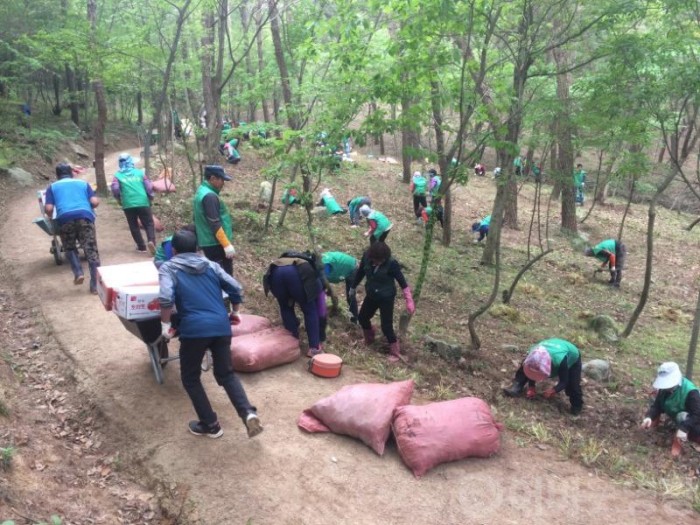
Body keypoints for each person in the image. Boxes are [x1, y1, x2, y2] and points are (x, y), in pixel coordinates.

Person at [158, 230, 262, 439]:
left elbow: (166, 298)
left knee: (190, 378)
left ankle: (211, 424)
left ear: (174, 250)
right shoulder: (212, 265)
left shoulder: (168, 267)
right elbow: (235, 287)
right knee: (226, 374)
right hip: (221, 326)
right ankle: (248, 412)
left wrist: (165, 324)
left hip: (194, 329)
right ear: (197, 249)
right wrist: (235, 312)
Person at [350, 242, 415, 363]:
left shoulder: (391, 264)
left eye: (379, 261)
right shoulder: (366, 257)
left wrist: (409, 299)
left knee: (386, 326)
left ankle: (395, 352)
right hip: (371, 294)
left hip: (386, 297)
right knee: (363, 317)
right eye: (375, 260)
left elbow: (402, 282)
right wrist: (353, 287)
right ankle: (369, 338)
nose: (377, 263)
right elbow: (360, 273)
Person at [44, 163, 101, 294]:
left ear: (57, 175)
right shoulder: (83, 184)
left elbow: (48, 208)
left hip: (65, 219)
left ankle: (78, 272)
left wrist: (50, 216)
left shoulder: (52, 187)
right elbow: (95, 202)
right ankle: (94, 286)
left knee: (69, 247)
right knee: (91, 250)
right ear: (71, 173)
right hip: (85, 217)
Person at [263, 251, 327, 357]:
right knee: (310, 310)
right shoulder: (310, 267)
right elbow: (317, 301)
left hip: (275, 273)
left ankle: (291, 343)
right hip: (295, 275)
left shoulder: (284, 259)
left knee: (286, 308)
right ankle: (314, 348)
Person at [503, 338, 584, 415]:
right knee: (524, 368)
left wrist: (553, 390)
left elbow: (564, 381)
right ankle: (517, 386)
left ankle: (576, 406)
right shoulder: (533, 353)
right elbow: (532, 369)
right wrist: (531, 387)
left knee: (573, 385)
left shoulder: (559, 360)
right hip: (553, 348)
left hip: (571, 354)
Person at [641, 362, 700, 456]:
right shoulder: (664, 390)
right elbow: (657, 405)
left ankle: (682, 440)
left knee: (684, 418)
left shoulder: (691, 393)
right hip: (680, 414)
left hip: (695, 418)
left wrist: (684, 428)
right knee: (655, 398)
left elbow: (696, 414)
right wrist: (649, 417)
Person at [193, 165, 235, 276]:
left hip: (209, 241)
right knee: (224, 275)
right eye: (221, 180)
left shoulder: (202, 190)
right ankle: (226, 293)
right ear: (212, 178)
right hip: (215, 243)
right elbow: (214, 222)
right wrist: (226, 244)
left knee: (215, 273)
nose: (223, 183)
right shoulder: (210, 196)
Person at [111, 153, 156, 255]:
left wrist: (118, 198)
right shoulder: (140, 173)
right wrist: (151, 196)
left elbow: (115, 188)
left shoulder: (117, 176)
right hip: (143, 202)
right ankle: (151, 242)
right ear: (131, 161)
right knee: (149, 223)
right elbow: (148, 187)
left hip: (128, 204)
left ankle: (141, 247)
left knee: (133, 225)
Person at [322, 251, 359, 323]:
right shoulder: (319, 264)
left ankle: (354, 320)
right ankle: (333, 309)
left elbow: (325, 282)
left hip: (352, 268)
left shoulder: (325, 266)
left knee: (350, 296)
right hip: (344, 265)